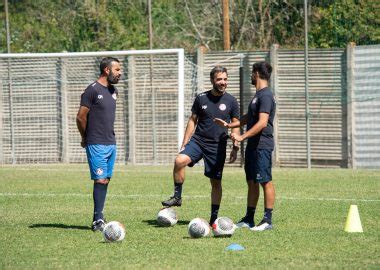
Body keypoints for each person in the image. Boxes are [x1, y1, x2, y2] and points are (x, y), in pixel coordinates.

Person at [161, 66, 240, 226]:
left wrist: (235, 145)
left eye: (225, 79)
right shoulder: (201, 98)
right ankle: (177, 197)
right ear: (212, 80)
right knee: (179, 161)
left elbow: (236, 124)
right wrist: (185, 142)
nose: (223, 82)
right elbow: (192, 120)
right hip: (198, 141)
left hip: (217, 146)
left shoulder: (231, 101)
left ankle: (213, 218)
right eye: (219, 79)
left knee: (215, 182)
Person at [214, 61, 276, 231]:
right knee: (251, 181)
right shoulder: (258, 95)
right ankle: (249, 218)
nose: (251, 76)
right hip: (253, 145)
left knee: (265, 181)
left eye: (252, 73)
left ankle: (267, 220)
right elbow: (250, 117)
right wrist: (229, 125)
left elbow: (263, 122)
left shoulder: (265, 96)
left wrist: (241, 136)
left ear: (256, 74)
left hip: (262, 145)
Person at [76, 57, 121, 231]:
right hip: (96, 142)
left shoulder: (113, 91)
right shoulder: (92, 91)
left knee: (106, 179)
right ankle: (97, 220)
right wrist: (85, 137)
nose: (120, 73)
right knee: (100, 179)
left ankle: (100, 215)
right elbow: (80, 117)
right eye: (117, 70)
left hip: (111, 142)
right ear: (106, 70)